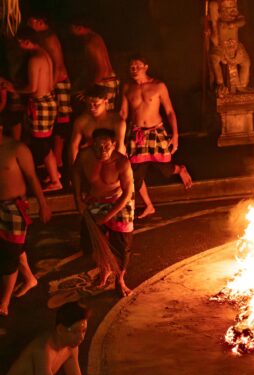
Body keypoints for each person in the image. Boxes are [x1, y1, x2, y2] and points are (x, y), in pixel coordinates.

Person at [121, 55, 192, 219]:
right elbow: (123, 114)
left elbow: (170, 112)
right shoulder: (127, 87)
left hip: (156, 132)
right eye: (131, 67)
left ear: (146, 67)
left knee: (166, 169)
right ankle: (149, 206)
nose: (134, 69)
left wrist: (175, 136)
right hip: (136, 134)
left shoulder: (158, 86)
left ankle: (180, 169)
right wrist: (120, 139)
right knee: (135, 176)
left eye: (137, 66)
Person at [72, 127, 135, 295]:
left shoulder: (122, 162)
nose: (102, 151)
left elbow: (127, 193)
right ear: (91, 144)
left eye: (106, 146)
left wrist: (107, 216)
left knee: (122, 245)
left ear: (114, 144)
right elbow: (76, 173)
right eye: (98, 147)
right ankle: (104, 269)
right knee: (92, 242)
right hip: (95, 199)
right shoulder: (84, 156)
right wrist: (77, 199)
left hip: (119, 201)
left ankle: (120, 279)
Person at [2, 34, 63, 191]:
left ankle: (55, 181)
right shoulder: (43, 53)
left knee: (41, 144)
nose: (19, 46)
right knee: (45, 142)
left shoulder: (34, 59)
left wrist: (13, 88)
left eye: (20, 43)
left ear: (27, 41)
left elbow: (32, 88)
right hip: (48, 100)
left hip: (40, 104)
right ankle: (54, 173)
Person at [0, 131, 52, 315]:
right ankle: (30, 278)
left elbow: (32, 177)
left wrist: (43, 205)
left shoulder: (17, 149)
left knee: (9, 253)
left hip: (14, 208)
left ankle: (4, 302)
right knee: (13, 248)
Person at [27, 16, 73, 166]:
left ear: (40, 22)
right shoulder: (42, 37)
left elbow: (58, 66)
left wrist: (49, 88)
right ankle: (51, 159)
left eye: (31, 20)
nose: (28, 23)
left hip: (59, 82)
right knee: (54, 122)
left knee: (61, 121)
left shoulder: (48, 39)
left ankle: (57, 158)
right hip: (54, 83)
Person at [69, 85, 127, 166]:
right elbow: (74, 146)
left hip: (113, 162)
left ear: (105, 101)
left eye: (96, 104)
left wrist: (114, 168)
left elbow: (119, 147)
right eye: (89, 104)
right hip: (91, 162)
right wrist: (75, 167)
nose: (92, 108)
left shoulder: (116, 122)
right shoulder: (81, 122)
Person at [69, 22, 120, 107]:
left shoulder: (91, 42)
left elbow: (102, 69)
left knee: (99, 111)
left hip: (104, 82)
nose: (70, 31)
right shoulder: (94, 37)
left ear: (79, 27)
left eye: (71, 28)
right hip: (107, 80)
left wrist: (88, 88)